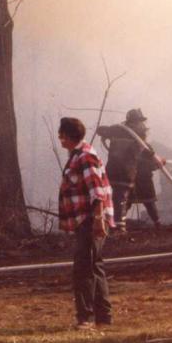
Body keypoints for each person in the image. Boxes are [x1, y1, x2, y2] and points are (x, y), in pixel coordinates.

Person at [57, 117, 116, 330]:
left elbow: (97, 192)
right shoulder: (78, 156)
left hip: (91, 220)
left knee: (84, 268)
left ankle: (86, 318)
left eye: (62, 135)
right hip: (86, 221)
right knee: (93, 265)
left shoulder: (85, 157)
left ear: (69, 135)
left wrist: (98, 221)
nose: (60, 139)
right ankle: (103, 318)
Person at [96, 108, 165, 229]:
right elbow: (100, 129)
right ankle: (118, 227)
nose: (141, 125)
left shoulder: (123, 133)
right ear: (132, 122)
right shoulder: (125, 133)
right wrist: (156, 159)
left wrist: (157, 162)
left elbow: (147, 154)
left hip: (123, 173)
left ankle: (118, 225)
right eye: (138, 122)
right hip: (124, 173)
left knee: (125, 200)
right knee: (121, 200)